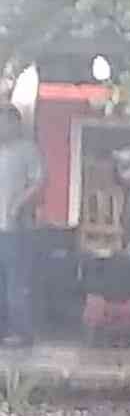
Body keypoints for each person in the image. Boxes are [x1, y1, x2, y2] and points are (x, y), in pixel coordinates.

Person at [0, 106, 46, 347]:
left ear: (15, 124)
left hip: (16, 229)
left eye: (4, 123)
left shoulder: (27, 150)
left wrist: (19, 204)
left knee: (16, 283)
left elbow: (39, 183)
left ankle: (22, 332)